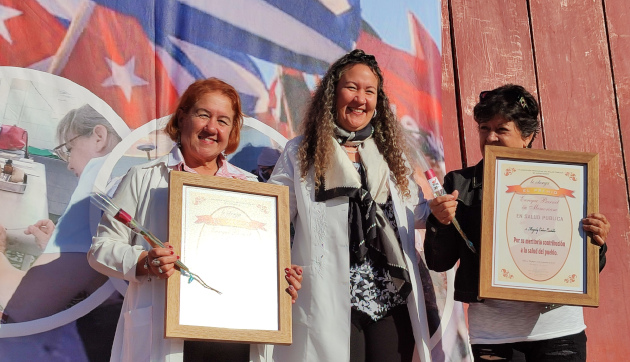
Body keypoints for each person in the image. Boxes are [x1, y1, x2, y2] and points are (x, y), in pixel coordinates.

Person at [87, 78, 303, 362]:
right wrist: (144, 262)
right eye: (203, 115)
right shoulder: (144, 178)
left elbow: (263, 262)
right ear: (182, 118)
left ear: (232, 130)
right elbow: (99, 250)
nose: (212, 128)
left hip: (238, 335)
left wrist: (281, 280)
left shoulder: (255, 190)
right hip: (166, 335)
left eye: (223, 121)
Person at [424, 84, 610, 361]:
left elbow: (589, 267)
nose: (491, 137)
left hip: (558, 330)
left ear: (527, 136)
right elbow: (439, 262)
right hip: (493, 335)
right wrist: (440, 223)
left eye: (501, 129)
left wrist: (597, 240)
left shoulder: (564, 177)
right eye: (484, 128)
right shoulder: (458, 185)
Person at [268, 49, 432, 362]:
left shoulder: (390, 156)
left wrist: (441, 210)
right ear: (332, 93)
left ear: (377, 101)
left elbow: (416, 212)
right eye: (352, 88)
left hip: (389, 301)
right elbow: (273, 215)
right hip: (331, 300)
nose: (360, 99)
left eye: (369, 91)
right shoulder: (301, 152)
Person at [0, 104, 123, 361]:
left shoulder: (95, 183)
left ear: (99, 137)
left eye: (68, 149)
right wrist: (61, 252)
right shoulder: (129, 176)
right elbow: (110, 285)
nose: (67, 164)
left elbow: (23, 308)